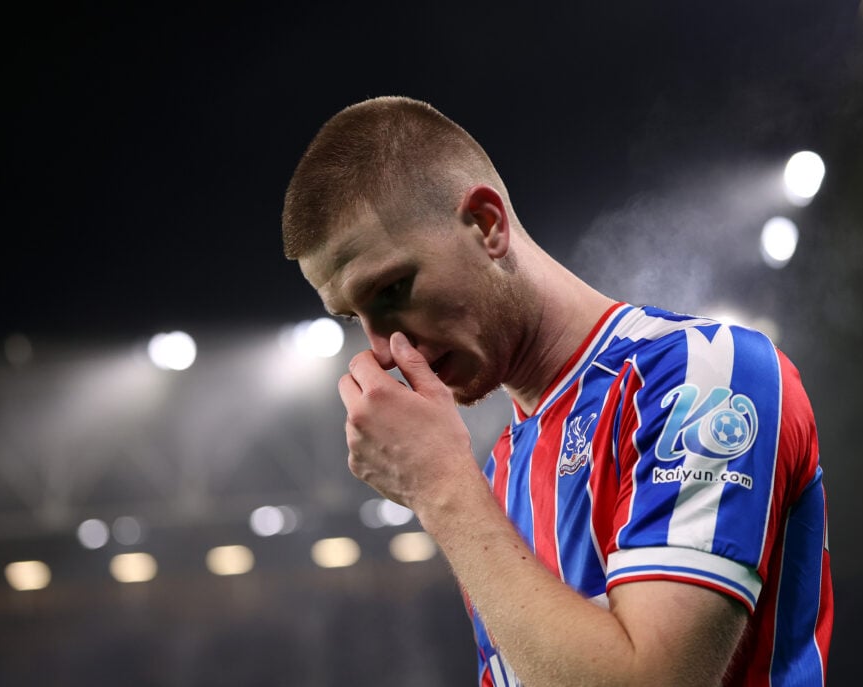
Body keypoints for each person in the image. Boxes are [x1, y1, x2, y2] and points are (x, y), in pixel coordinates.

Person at [281, 96, 833, 686]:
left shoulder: (709, 375)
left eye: (392, 288)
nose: (385, 348)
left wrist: (441, 489)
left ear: (487, 225)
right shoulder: (497, 472)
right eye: (353, 318)